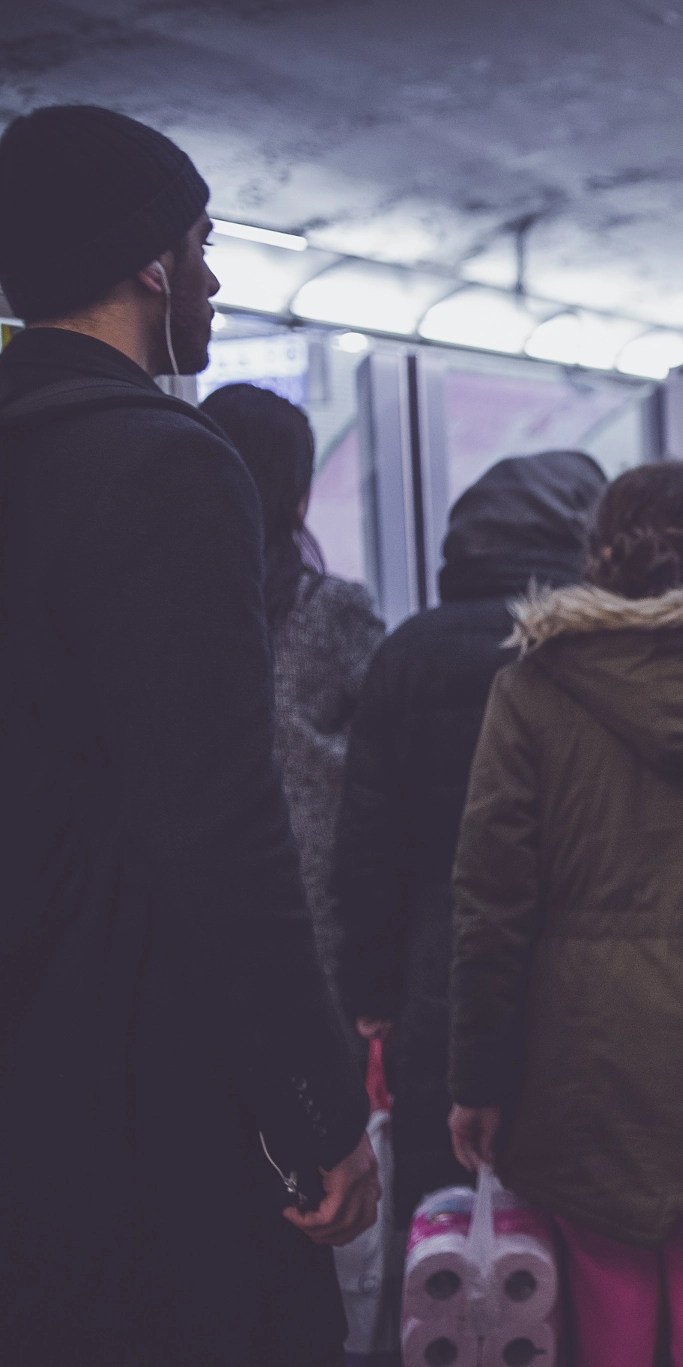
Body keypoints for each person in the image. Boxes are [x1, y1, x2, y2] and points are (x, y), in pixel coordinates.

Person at [0, 105, 375, 1364]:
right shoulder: (167, 464)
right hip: (141, 1072)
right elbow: (216, 823)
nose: (214, 276)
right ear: (150, 263)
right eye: (203, 241)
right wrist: (319, 1108)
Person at [446, 461, 683, 1367]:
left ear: (598, 548)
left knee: (604, 1301)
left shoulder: (532, 688)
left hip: (578, 1053)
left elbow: (491, 899)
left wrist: (477, 1075)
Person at [332, 449, 607, 1222]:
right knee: (574, 1226)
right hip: (579, 977)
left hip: (439, 973)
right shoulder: (595, 647)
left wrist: (374, 992)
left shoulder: (406, 653)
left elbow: (367, 845)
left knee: (450, 1216)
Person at [202, 382, 385, 1004]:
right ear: (296, 496)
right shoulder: (332, 609)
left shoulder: (162, 605)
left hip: (197, 884)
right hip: (315, 889)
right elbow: (383, 754)